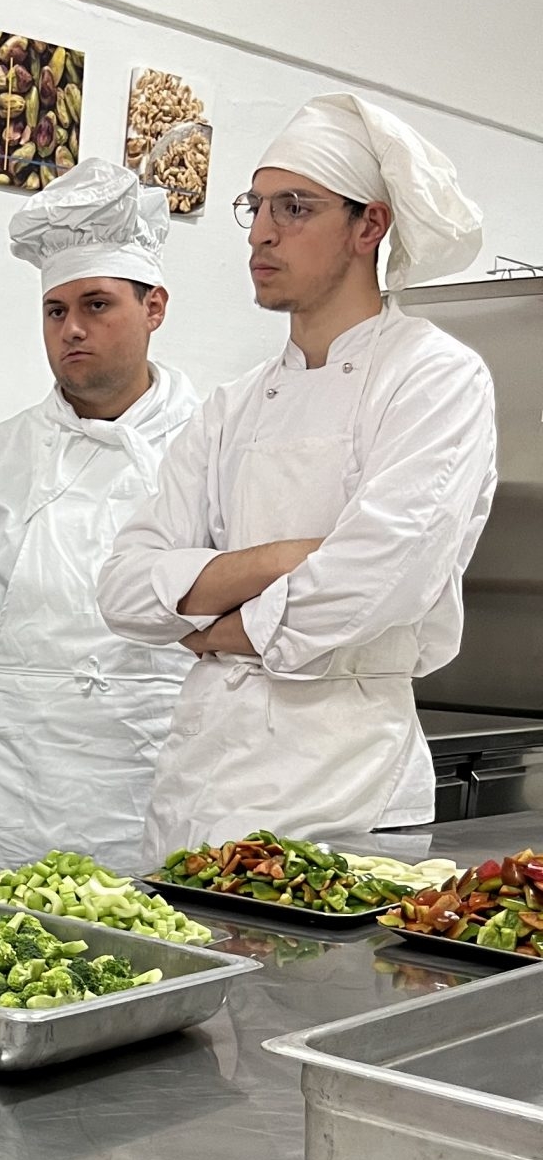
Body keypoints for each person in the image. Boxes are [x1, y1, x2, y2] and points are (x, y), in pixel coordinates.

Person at [99, 93, 495, 865]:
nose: (262, 232)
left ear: (368, 226)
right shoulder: (232, 405)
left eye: (296, 207)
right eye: (255, 206)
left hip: (341, 792)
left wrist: (222, 629)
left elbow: (383, 572)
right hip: (199, 783)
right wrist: (286, 559)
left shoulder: (434, 377)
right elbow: (121, 587)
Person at [0, 159, 200, 886]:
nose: (72, 329)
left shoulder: (214, 445)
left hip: (154, 799)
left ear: (154, 306)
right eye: (55, 310)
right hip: (8, 803)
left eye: (97, 305)